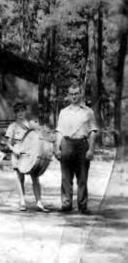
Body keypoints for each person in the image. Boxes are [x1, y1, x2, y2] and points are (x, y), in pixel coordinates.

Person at [55, 82, 98, 214]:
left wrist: (91, 149)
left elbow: (93, 131)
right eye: (71, 94)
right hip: (66, 144)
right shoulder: (63, 112)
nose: (74, 96)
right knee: (65, 178)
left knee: (82, 177)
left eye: (76, 94)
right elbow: (59, 132)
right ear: (68, 95)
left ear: (81, 94)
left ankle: (82, 206)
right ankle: (66, 204)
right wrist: (57, 147)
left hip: (82, 145)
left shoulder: (88, 112)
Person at [6, 102, 49, 212]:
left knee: (35, 177)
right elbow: (8, 143)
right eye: (18, 111)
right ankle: (22, 202)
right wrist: (14, 149)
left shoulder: (31, 124)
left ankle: (39, 202)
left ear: (25, 111)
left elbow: (39, 136)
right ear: (15, 113)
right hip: (18, 154)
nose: (20, 113)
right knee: (20, 177)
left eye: (22, 111)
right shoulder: (13, 126)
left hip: (31, 154)